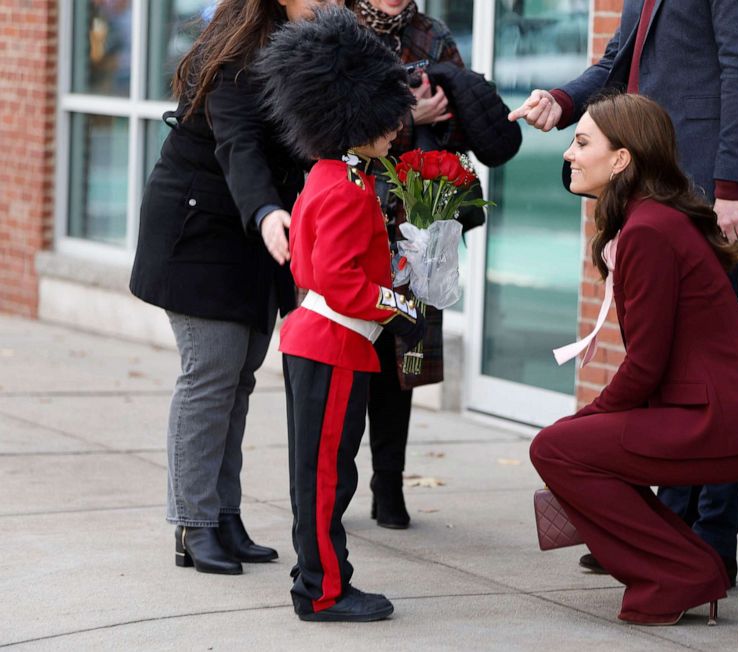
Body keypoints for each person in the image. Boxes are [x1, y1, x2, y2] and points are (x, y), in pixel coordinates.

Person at [509, 0, 738, 586]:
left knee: (706, 369)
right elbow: (618, 62)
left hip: (698, 178)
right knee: (670, 364)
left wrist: (732, 185)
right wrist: (564, 101)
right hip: (652, 175)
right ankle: (666, 528)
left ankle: (713, 545)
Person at [129, 0, 336, 575]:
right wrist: (269, 210)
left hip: (258, 234)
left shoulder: (315, 46)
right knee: (211, 376)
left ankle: (224, 514)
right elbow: (238, 145)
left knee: (237, 377)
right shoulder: (238, 57)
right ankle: (193, 525)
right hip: (203, 231)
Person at [255, 7, 423, 621]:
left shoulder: (324, 177)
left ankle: (317, 574)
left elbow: (310, 266)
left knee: (317, 474)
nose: (395, 127)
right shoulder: (350, 191)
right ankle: (322, 591)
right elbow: (341, 282)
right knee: (328, 478)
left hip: (315, 338)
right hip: (336, 342)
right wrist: (402, 302)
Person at [347, 0, 521, 529]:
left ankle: (389, 486)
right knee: (348, 357)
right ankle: (329, 485)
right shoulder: (340, 29)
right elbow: (331, 128)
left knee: (404, 364)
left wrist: (447, 112)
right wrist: (408, 117)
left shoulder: (433, 34)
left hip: (419, 224)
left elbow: (469, 126)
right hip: (352, 218)